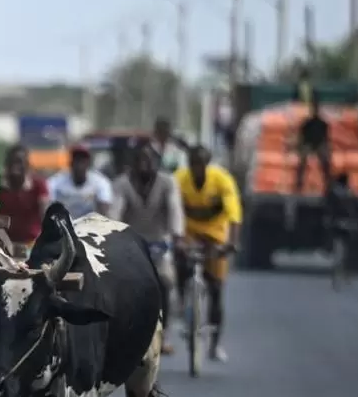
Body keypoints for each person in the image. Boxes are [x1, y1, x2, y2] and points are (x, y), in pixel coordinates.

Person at [110, 141, 184, 354]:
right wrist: (113, 233)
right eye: (140, 159)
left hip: (159, 241)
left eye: (148, 159)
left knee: (165, 280)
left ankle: (166, 332)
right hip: (131, 243)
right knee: (120, 284)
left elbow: (174, 210)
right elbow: (116, 210)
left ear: (156, 162)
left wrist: (177, 236)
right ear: (132, 162)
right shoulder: (121, 184)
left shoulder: (168, 182)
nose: (144, 163)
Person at [173, 145, 242, 363]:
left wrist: (232, 243)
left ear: (207, 163)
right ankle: (183, 302)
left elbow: (234, 214)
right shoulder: (179, 179)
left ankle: (215, 344)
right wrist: (174, 239)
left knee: (216, 288)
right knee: (180, 267)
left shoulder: (222, 179)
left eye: (200, 164)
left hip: (215, 235)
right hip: (189, 233)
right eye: (193, 164)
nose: (196, 169)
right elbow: (171, 208)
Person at [0, 144, 50, 259]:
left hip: (31, 244)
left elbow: (44, 213)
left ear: (27, 165)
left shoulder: (38, 185)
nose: (16, 166)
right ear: (6, 164)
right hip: (3, 245)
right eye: (12, 162)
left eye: (20, 162)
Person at [47, 145, 113, 220]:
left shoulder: (100, 182)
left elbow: (104, 208)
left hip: (90, 226)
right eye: (77, 160)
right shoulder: (56, 182)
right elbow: (47, 205)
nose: (79, 165)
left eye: (83, 161)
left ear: (88, 164)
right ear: (71, 163)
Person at [294, 99, 332, 196]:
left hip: (319, 144)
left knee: (325, 160)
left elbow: (326, 138)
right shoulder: (307, 123)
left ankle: (328, 186)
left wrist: (326, 147)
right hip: (309, 144)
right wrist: (300, 146)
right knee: (302, 161)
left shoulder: (323, 123)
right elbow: (301, 137)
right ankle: (299, 185)